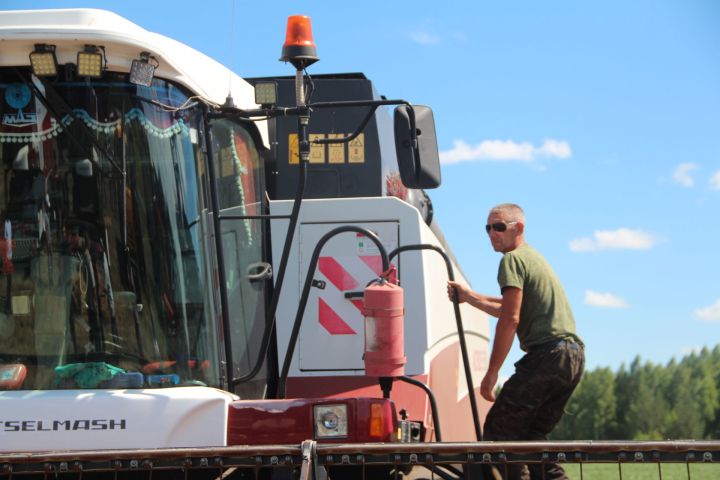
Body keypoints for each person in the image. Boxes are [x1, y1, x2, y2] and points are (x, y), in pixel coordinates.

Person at [447, 203, 584, 480]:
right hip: (571, 358)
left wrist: (491, 373)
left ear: (518, 228)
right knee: (531, 438)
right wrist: (470, 297)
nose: (491, 233)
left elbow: (510, 319)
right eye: (487, 228)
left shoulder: (511, 260)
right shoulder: (533, 258)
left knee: (500, 432)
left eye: (499, 227)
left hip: (547, 356)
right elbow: (510, 307)